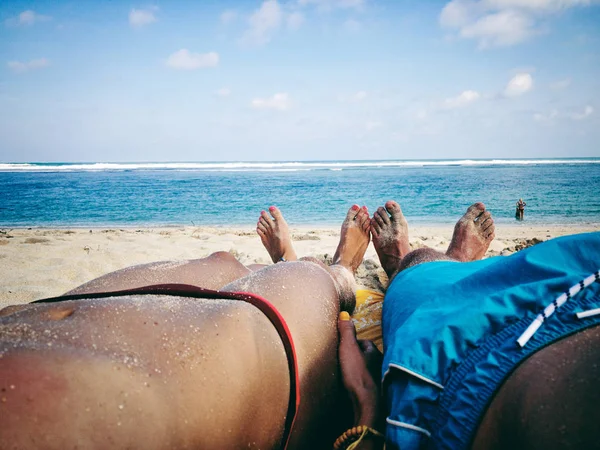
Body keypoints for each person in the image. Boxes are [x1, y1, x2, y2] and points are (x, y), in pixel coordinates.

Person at [0, 204, 373, 449]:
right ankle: (341, 271)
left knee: (223, 263)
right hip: (219, 364)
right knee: (305, 275)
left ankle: (284, 266)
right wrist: (366, 415)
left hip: (36, 320)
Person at [338, 201, 600, 450]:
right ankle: (452, 262)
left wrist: (367, 413)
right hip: (583, 284)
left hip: (464, 375)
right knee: (429, 273)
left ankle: (398, 264)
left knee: (417, 270)